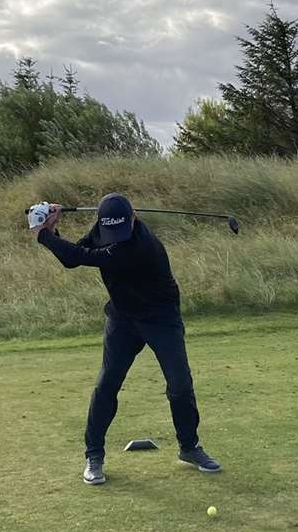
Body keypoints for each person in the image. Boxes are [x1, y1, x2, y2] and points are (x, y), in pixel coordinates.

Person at [31, 192, 222, 485]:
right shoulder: (103, 230)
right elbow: (72, 259)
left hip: (160, 317)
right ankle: (94, 455)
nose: (115, 237)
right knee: (107, 384)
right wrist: (54, 231)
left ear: (133, 219)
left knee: (180, 384)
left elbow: (81, 257)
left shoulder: (141, 247)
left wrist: (43, 234)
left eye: (120, 231)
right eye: (110, 231)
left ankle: (189, 447)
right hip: (123, 319)